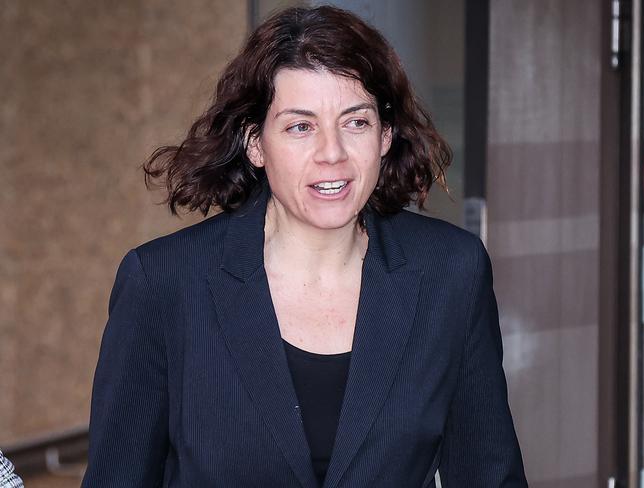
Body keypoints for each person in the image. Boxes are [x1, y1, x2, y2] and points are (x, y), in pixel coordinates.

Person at [82, 6, 527, 487]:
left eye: (355, 122)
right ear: (256, 143)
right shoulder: (164, 283)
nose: (331, 153)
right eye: (301, 126)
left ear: (385, 134)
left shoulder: (451, 272)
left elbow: (489, 474)